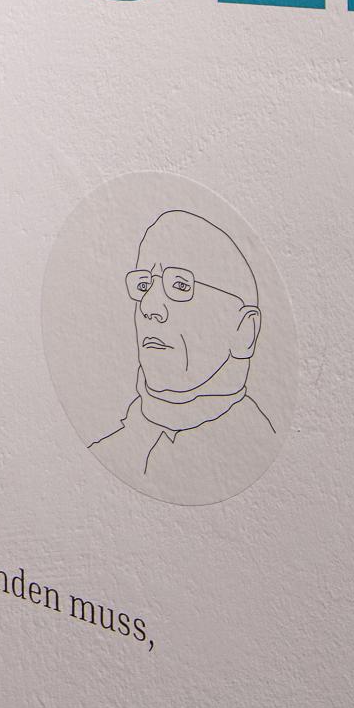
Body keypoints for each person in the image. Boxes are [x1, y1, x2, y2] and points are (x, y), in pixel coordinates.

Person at [87, 207, 280, 505]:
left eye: (179, 285)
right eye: (144, 285)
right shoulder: (107, 454)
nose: (149, 306)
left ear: (244, 331)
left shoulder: (256, 456)